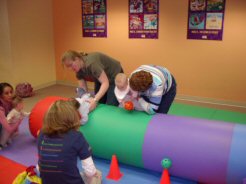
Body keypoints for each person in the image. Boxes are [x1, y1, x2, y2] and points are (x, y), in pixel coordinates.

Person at [37, 100, 102, 184]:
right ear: (73, 117)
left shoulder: (42, 134)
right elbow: (90, 172)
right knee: (97, 174)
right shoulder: (76, 137)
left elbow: (39, 167)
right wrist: (94, 173)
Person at [0, 83, 23, 150]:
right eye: (6, 93)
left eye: (11, 92)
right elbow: (8, 128)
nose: (10, 95)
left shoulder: (10, 102)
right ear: (1, 95)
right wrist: (19, 121)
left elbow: (14, 115)